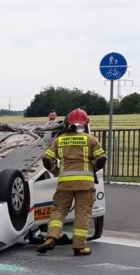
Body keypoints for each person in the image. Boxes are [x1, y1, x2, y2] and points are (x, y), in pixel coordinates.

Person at [37, 108, 106, 256]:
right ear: (85, 123)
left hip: (65, 184)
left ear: (67, 123)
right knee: (82, 213)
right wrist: (93, 167)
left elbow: (46, 160)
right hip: (85, 184)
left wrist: (57, 172)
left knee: (58, 211)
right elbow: (101, 159)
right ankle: (79, 246)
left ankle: (51, 237)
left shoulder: (59, 140)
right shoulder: (90, 139)